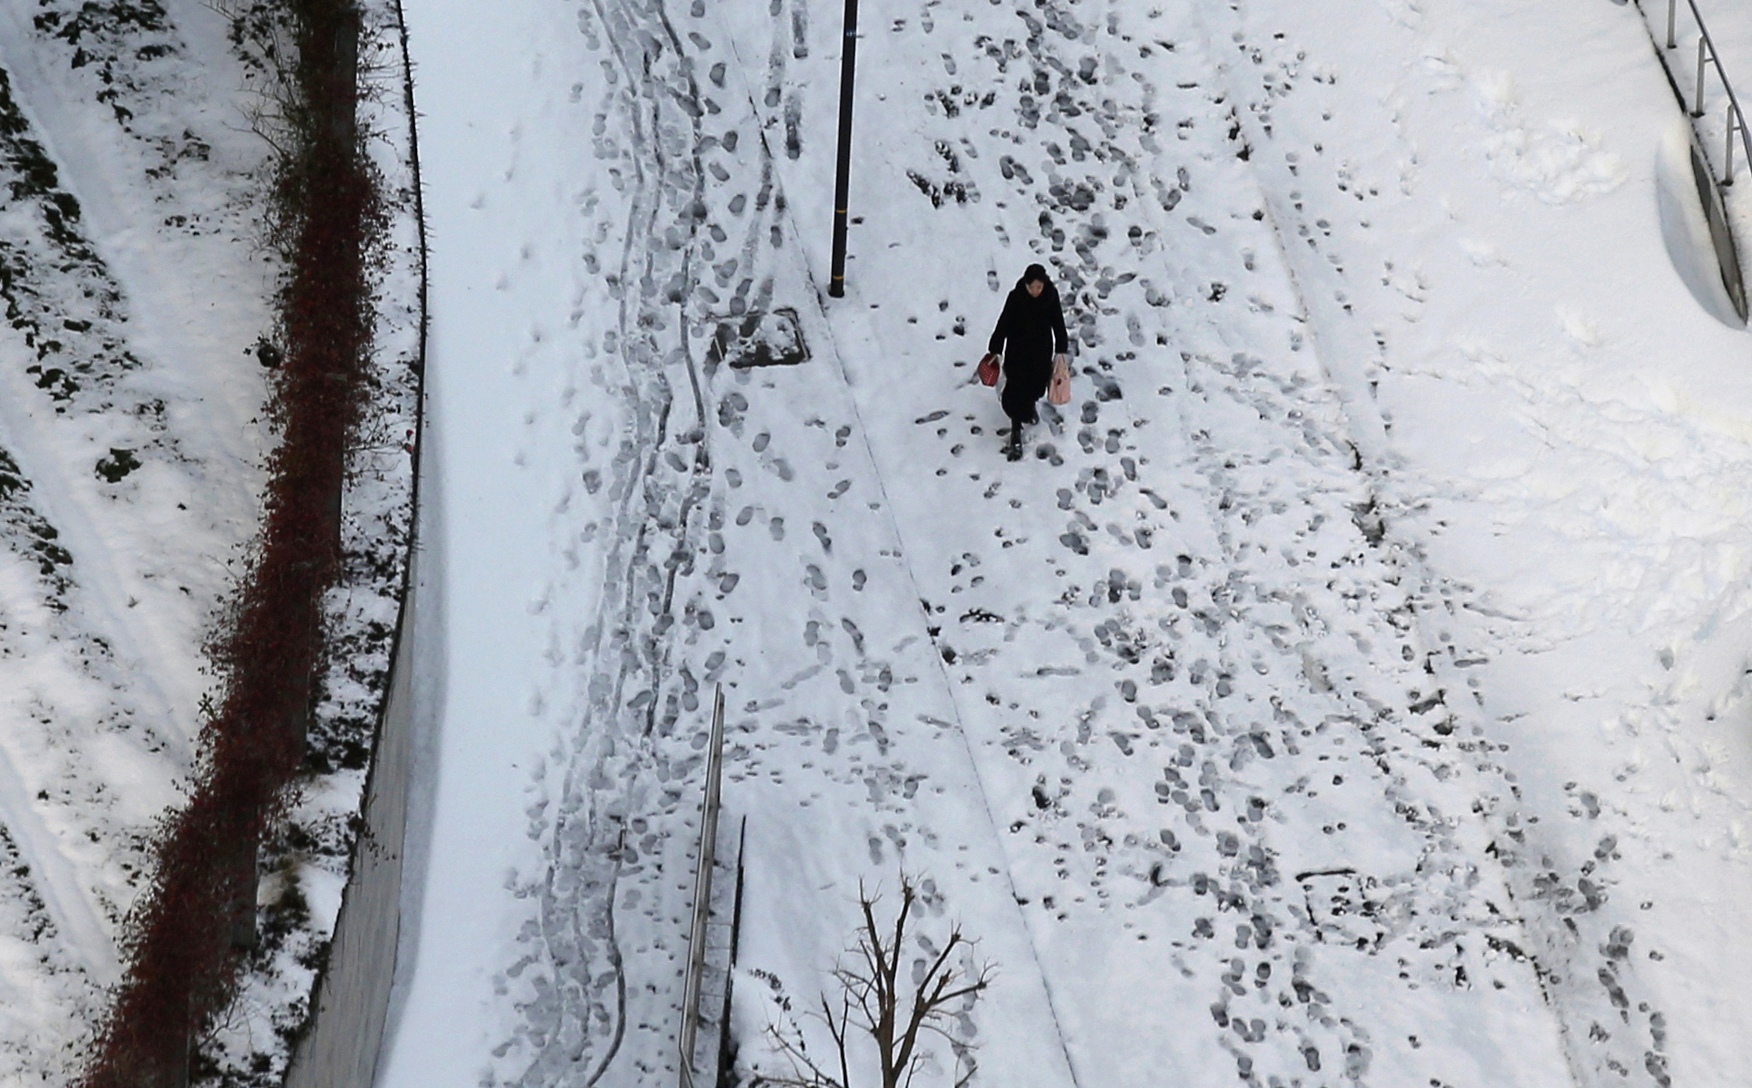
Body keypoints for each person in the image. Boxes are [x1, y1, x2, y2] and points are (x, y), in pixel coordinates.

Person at [981, 263, 1069, 460]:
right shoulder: (1016, 297)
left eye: (1040, 287)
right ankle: (1016, 432)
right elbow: (1003, 323)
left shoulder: (1050, 297)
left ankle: (1028, 409)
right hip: (1018, 352)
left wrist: (1061, 348)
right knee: (1015, 391)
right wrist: (995, 347)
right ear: (1026, 285)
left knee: (1035, 388)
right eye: (1033, 287)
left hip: (1040, 353)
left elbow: (1058, 323)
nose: (1036, 291)